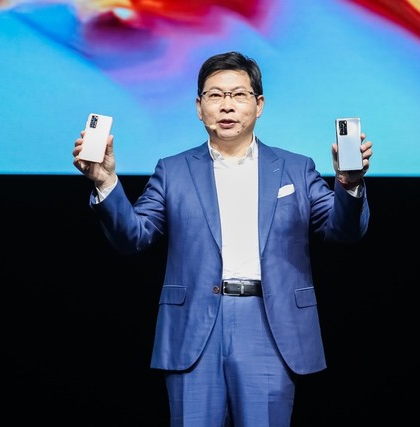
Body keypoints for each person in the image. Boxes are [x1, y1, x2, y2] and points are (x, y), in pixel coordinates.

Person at [72, 51, 373, 427]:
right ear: (199, 108)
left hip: (269, 325)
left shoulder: (296, 168)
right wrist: (105, 182)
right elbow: (133, 237)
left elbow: (343, 230)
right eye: (215, 95)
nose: (226, 105)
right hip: (194, 328)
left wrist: (349, 183)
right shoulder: (173, 170)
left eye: (238, 95)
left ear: (259, 105)